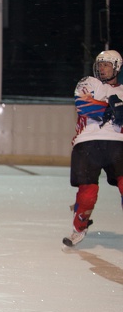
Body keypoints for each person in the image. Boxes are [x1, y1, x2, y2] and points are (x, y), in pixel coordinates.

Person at [64, 49, 123, 247]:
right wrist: (111, 108)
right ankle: (79, 226)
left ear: (117, 67)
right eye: (100, 65)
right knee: (88, 195)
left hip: (118, 144)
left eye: (107, 65)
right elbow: (83, 105)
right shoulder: (88, 82)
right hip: (87, 142)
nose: (102, 69)